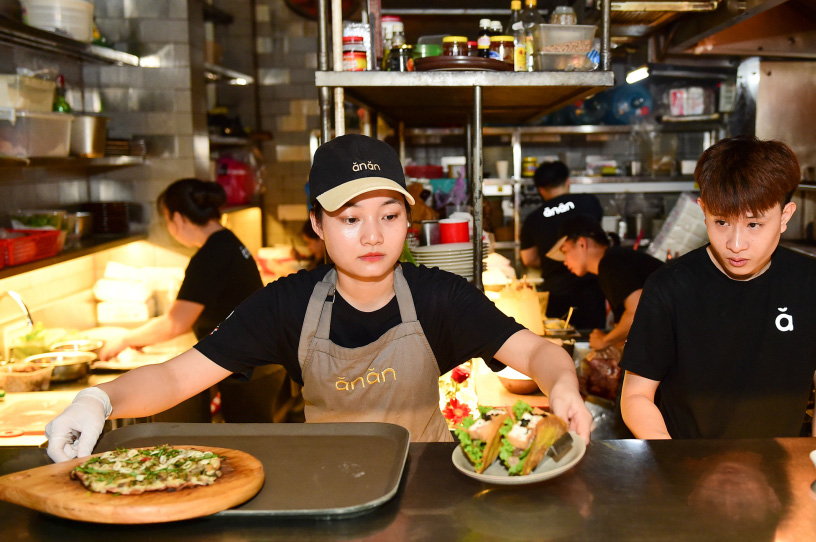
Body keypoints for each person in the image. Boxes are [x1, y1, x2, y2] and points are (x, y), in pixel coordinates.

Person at [45, 134, 592, 462]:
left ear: (408, 220)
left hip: (432, 489)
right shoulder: (288, 305)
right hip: (328, 491)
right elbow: (175, 377)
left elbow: (536, 352)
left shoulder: (439, 296)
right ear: (317, 225)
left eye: (390, 216)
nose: (373, 236)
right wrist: (98, 401)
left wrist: (563, 382)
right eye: (350, 218)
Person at [620, 136, 816, 439]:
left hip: (781, 476)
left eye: (754, 225)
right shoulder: (670, 286)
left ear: (785, 216)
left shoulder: (809, 283)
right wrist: (675, 463)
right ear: (703, 209)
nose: (735, 245)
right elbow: (636, 396)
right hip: (687, 471)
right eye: (721, 222)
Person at [96, 179, 297, 424]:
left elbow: (175, 323)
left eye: (167, 218)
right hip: (262, 365)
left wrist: (124, 339)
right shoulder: (227, 242)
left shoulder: (210, 256)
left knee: (254, 449)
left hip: (251, 370)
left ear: (178, 218)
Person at [547, 213, 663, 351]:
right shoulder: (612, 262)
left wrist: (605, 341)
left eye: (565, 252)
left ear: (582, 243)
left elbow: (638, 313)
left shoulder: (610, 264)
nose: (565, 262)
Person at [520, 161, 606, 329]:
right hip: (592, 290)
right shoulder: (589, 202)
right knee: (593, 342)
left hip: (557, 293)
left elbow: (528, 259)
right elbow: (596, 240)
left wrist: (552, 260)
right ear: (568, 181)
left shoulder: (534, 218)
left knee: (560, 341)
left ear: (541, 189)